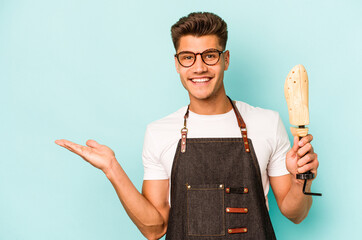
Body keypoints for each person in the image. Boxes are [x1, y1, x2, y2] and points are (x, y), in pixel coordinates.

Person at [55, 12, 319, 240]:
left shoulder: (266, 122)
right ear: (177, 64)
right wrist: (112, 168)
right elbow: (154, 228)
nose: (199, 67)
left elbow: (295, 213)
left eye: (210, 55)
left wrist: (300, 181)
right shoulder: (159, 132)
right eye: (188, 57)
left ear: (226, 59)